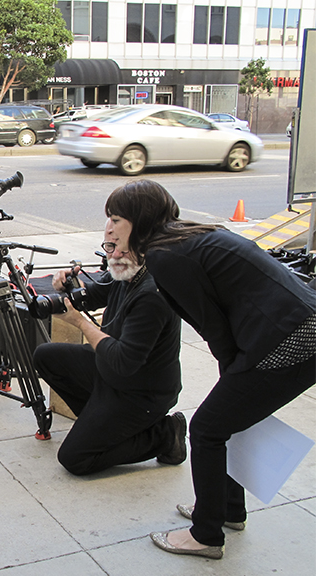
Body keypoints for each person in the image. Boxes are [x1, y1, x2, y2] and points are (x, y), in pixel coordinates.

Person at [101, 180, 315, 560]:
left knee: (206, 428)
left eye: (116, 218)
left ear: (138, 220)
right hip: (297, 327)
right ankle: (226, 510)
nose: (109, 228)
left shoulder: (166, 257)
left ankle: (205, 534)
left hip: (290, 339)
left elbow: (212, 326)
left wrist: (233, 372)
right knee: (225, 421)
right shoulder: (185, 236)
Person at [33, 218, 185, 476]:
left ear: (142, 247)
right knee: (46, 356)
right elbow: (94, 294)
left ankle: (165, 435)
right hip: (112, 372)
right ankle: (102, 422)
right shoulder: (126, 269)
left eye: (120, 249)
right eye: (109, 247)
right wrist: (70, 285)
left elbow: (122, 359)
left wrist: (80, 323)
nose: (114, 255)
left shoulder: (151, 293)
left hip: (141, 391)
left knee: (75, 459)